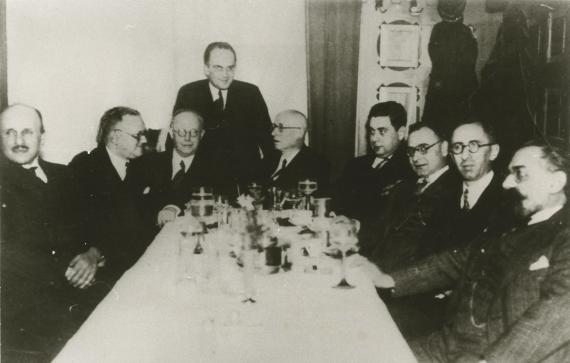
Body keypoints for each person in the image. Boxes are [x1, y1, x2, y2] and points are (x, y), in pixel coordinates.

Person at [357, 139, 570, 363]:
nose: (507, 183)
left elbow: (558, 312)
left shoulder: (564, 235)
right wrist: (389, 280)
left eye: (520, 174)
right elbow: (457, 259)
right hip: (449, 344)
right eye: (509, 173)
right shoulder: (509, 220)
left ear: (555, 182)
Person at [0, 104, 93, 361]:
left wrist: (93, 255)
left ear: (42, 135)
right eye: (9, 133)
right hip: (22, 315)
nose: (18, 141)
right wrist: (70, 270)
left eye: (27, 132)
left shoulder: (64, 175)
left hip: (77, 297)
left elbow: (92, 227)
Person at [172, 41, 273, 193]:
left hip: (245, 186)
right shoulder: (189, 93)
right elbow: (178, 138)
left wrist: (260, 182)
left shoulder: (250, 93)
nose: (225, 75)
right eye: (218, 68)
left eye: (230, 68)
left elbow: (269, 143)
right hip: (202, 185)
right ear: (206, 69)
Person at [69, 106, 154, 284]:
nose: (144, 139)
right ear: (115, 137)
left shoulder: (142, 166)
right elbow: (82, 227)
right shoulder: (85, 168)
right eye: (138, 135)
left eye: (144, 133)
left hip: (138, 264)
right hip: (104, 270)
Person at [334, 101, 414, 220]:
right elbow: (336, 200)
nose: (374, 138)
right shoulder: (355, 165)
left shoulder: (410, 169)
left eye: (382, 131)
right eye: (372, 131)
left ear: (401, 133)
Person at [141, 108, 215, 227]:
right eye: (181, 132)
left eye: (194, 132)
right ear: (171, 133)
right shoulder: (150, 163)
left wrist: (173, 208)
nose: (187, 138)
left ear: (202, 134)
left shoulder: (214, 167)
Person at [262, 109, 330, 193]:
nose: (273, 133)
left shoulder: (316, 164)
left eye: (281, 128)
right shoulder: (268, 159)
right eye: (274, 127)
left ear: (299, 132)